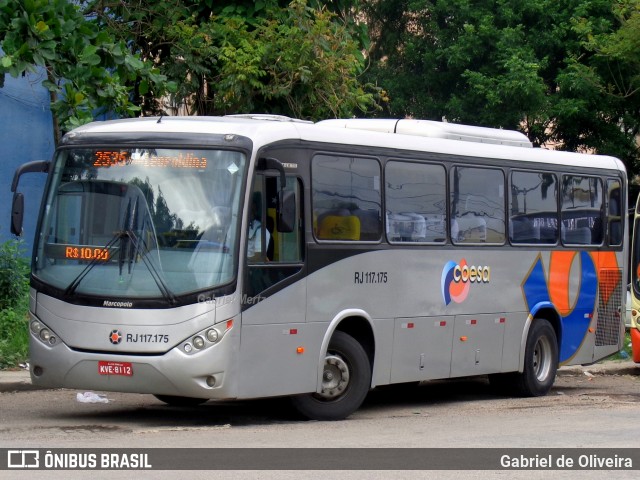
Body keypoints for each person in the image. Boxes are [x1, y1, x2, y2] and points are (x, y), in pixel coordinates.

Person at [247, 191, 271, 261]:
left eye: (252, 209)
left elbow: (259, 257)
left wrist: (241, 259)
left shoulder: (261, 229)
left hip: (250, 268)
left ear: (257, 210)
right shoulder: (235, 226)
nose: (250, 212)